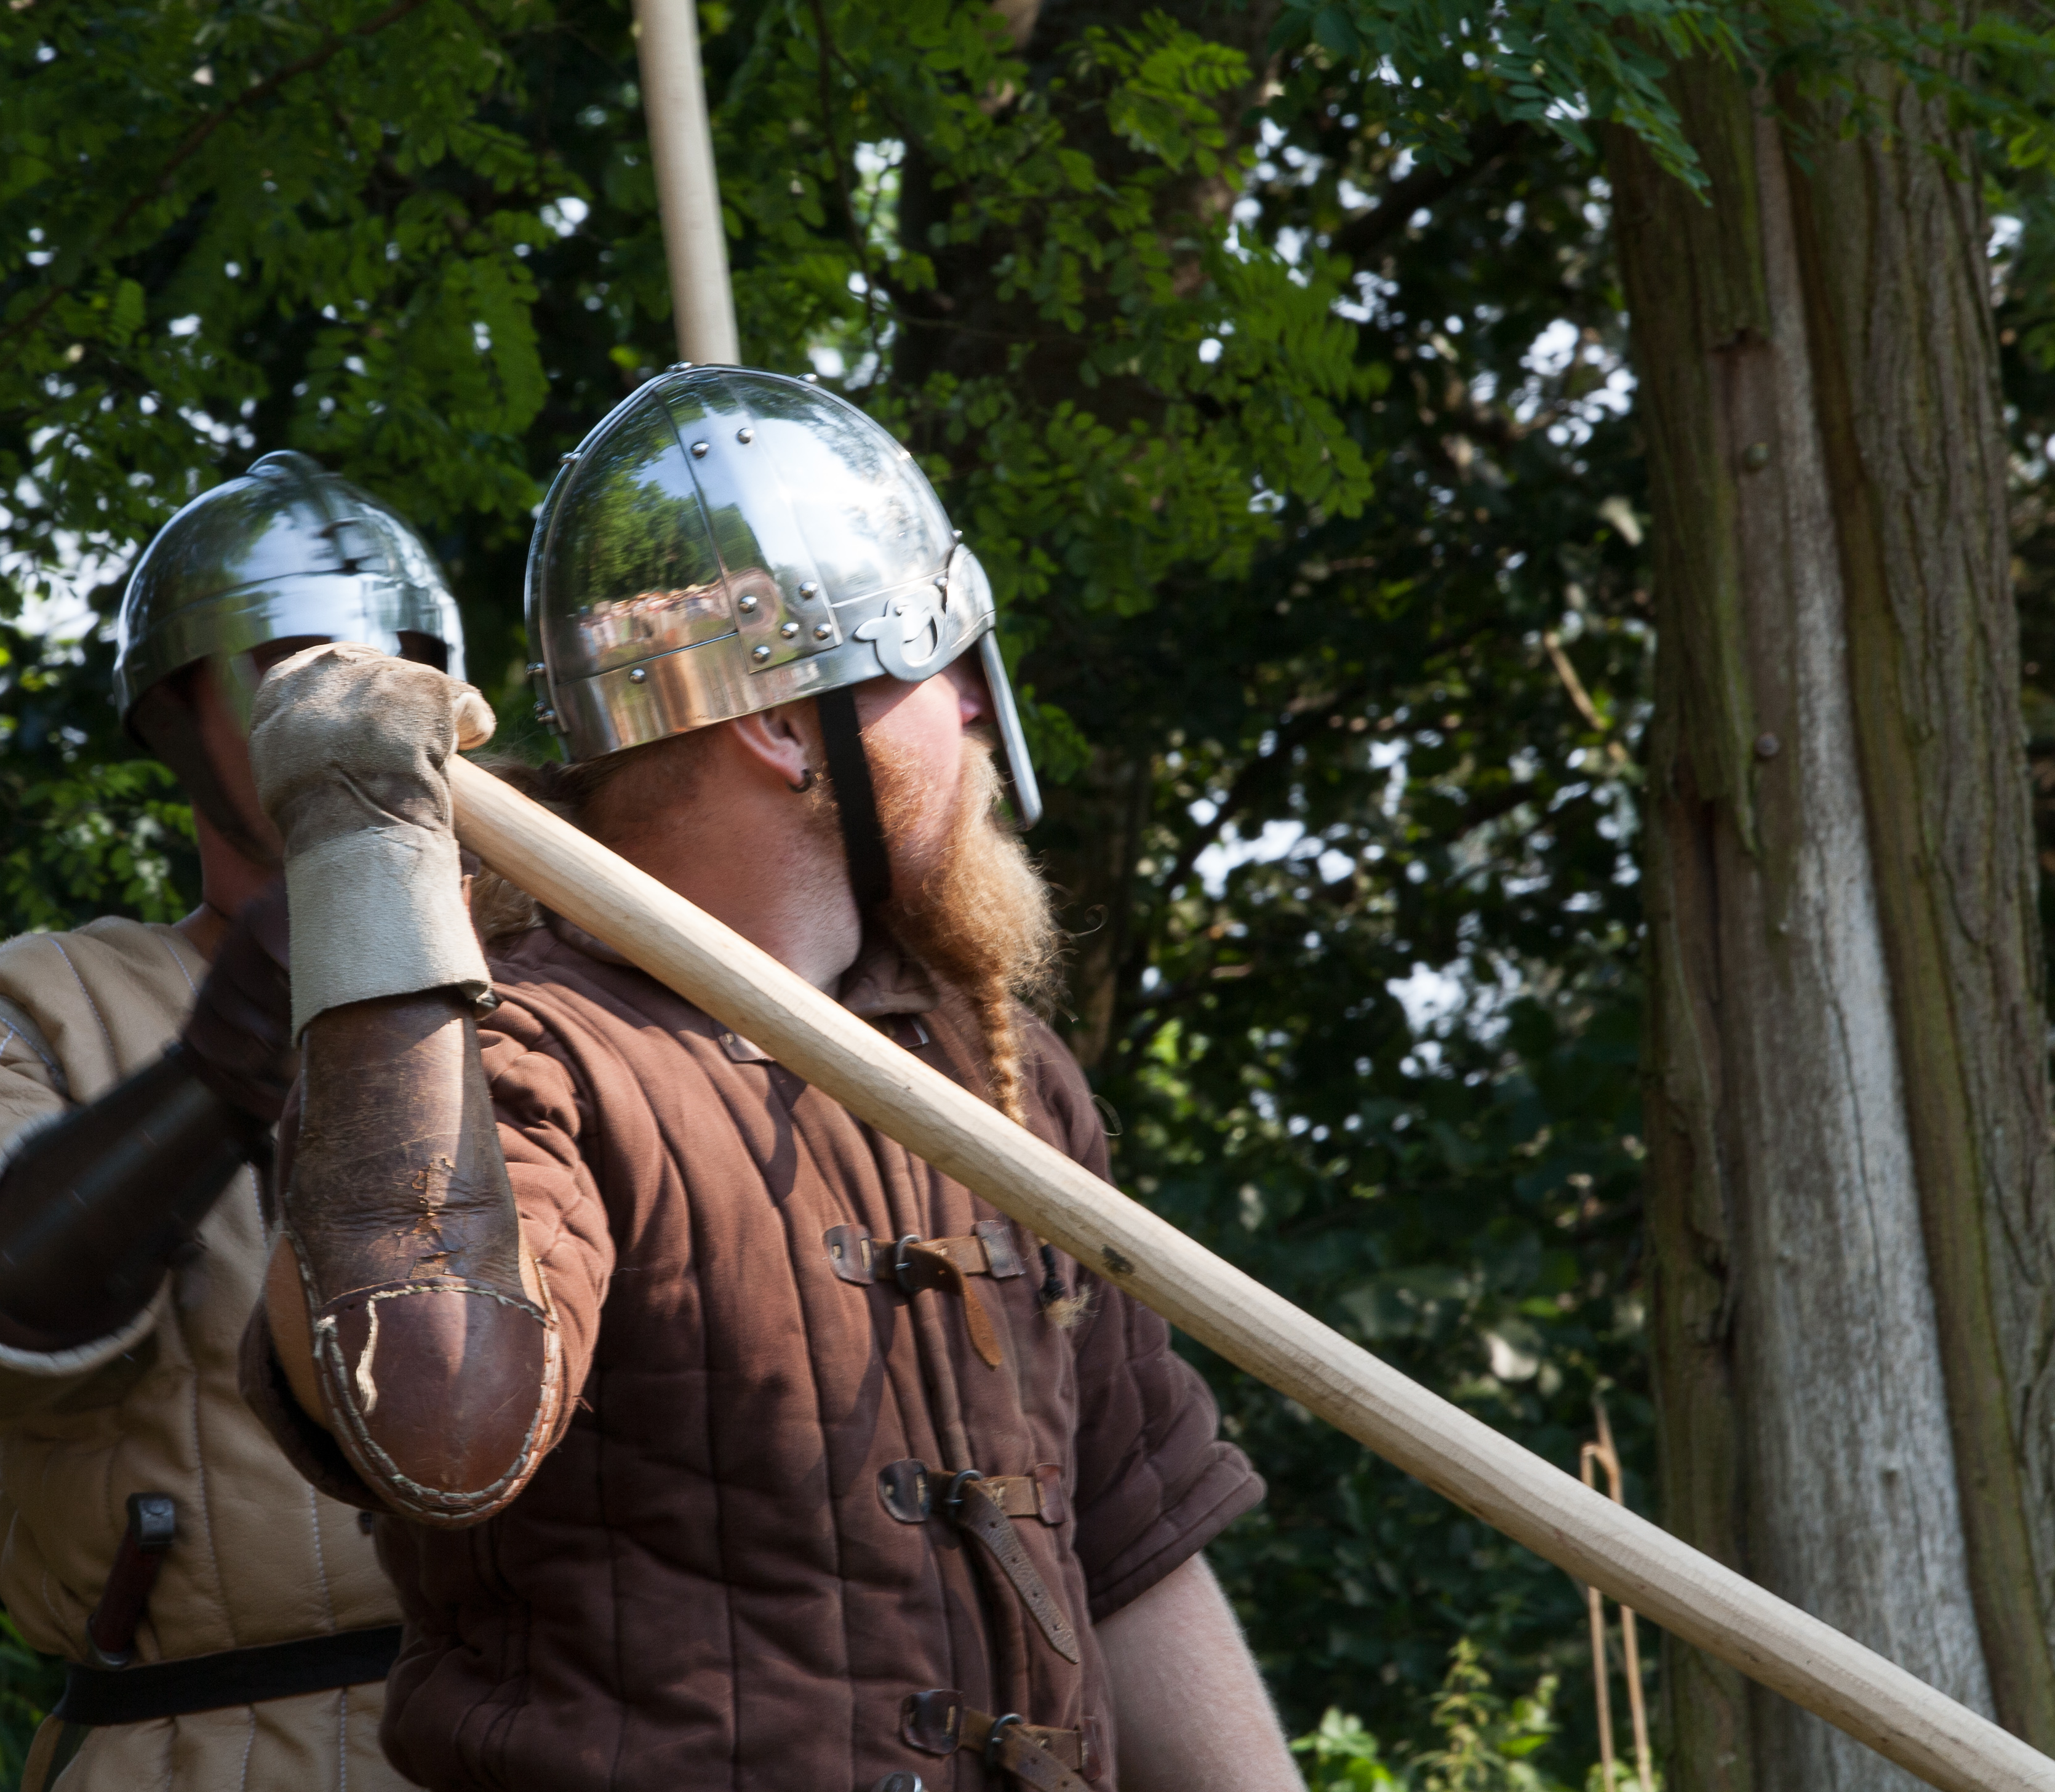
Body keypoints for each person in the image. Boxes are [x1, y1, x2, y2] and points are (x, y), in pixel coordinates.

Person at [236, 370, 1304, 1791]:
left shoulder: (992, 1070)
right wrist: (367, 863)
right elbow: (430, 1423)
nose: (976, 711)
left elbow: (1125, 1544)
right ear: (788, 727)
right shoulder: (519, 1061)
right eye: (936, 662)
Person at [0, 452, 465, 1792]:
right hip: (198, 1753)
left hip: (535, 1736)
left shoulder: (550, 991)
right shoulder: (42, 1005)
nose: (347, 710)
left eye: (387, 672)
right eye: (293, 670)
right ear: (177, 713)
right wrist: (215, 1073)